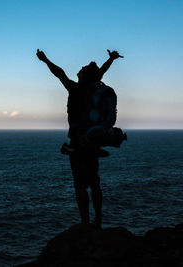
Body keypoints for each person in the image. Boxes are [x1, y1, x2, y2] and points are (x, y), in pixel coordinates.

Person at [36, 48, 123, 228]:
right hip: (94, 140)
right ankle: (98, 220)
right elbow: (100, 72)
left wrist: (45, 60)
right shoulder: (94, 88)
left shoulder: (75, 89)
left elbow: (59, 74)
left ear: (83, 76)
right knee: (94, 182)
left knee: (80, 185)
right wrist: (111, 60)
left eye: (82, 69)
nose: (79, 69)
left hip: (78, 141)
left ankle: (85, 223)